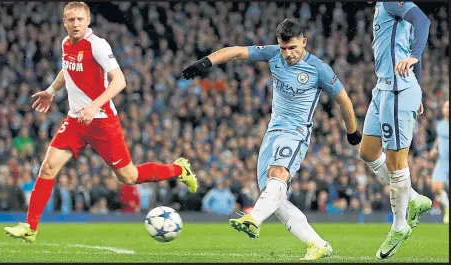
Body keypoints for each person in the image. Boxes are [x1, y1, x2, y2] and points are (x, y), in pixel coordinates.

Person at [4, 2, 198, 243]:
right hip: (76, 120)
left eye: (79, 20)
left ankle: (179, 169)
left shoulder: (97, 45)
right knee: (48, 167)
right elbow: (67, 69)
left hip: (102, 122)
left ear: (88, 21)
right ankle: (30, 227)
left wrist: (95, 104)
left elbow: (119, 81)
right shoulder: (66, 44)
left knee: (128, 176)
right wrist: (51, 91)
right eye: (71, 20)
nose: (75, 24)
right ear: (65, 22)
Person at [182, 18, 362, 260]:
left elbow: (343, 100)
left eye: (293, 48)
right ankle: (318, 244)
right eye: (283, 48)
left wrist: (352, 132)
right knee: (273, 194)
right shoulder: (273, 55)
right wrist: (206, 62)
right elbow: (236, 51)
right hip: (273, 132)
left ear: (304, 42)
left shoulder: (319, 69)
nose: (288, 54)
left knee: (278, 175)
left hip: (296, 132)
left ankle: (253, 218)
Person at [358, 1, 432, 259]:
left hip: (398, 90)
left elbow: (423, 21)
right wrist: (419, 84)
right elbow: (410, 35)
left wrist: (415, 57)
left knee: (395, 162)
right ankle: (412, 198)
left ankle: (399, 225)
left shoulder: (392, 1)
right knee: (367, 152)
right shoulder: (382, 7)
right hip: (382, 90)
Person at [429, 100, 449, 224]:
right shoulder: (440, 124)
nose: (447, 109)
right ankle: (448, 208)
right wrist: (434, 148)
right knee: (436, 188)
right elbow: (439, 138)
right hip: (442, 161)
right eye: (446, 107)